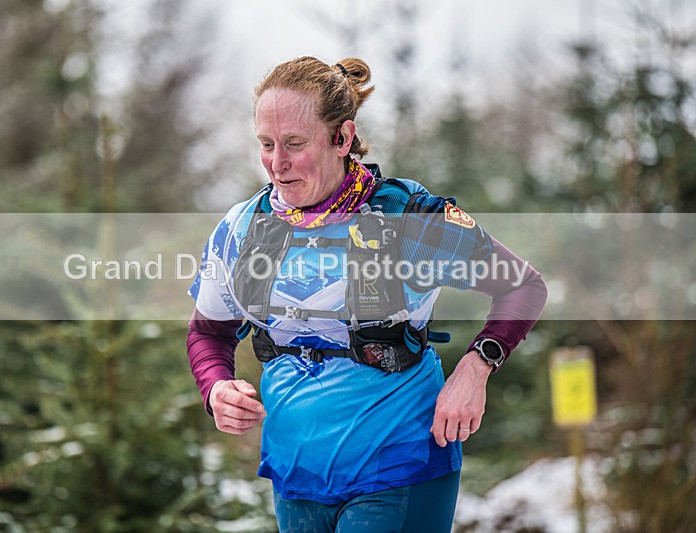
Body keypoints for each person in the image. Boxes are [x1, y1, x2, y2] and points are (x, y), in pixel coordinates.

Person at [187, 56, 547, 533]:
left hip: (400, 466)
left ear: (342, 138)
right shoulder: (243, 229)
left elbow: (523, 285)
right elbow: (208, 331)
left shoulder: (411, 221)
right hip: (296, 475)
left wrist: (475, 367)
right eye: (267, 144)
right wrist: (217, 389)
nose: (278, 163)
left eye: (295, 144)